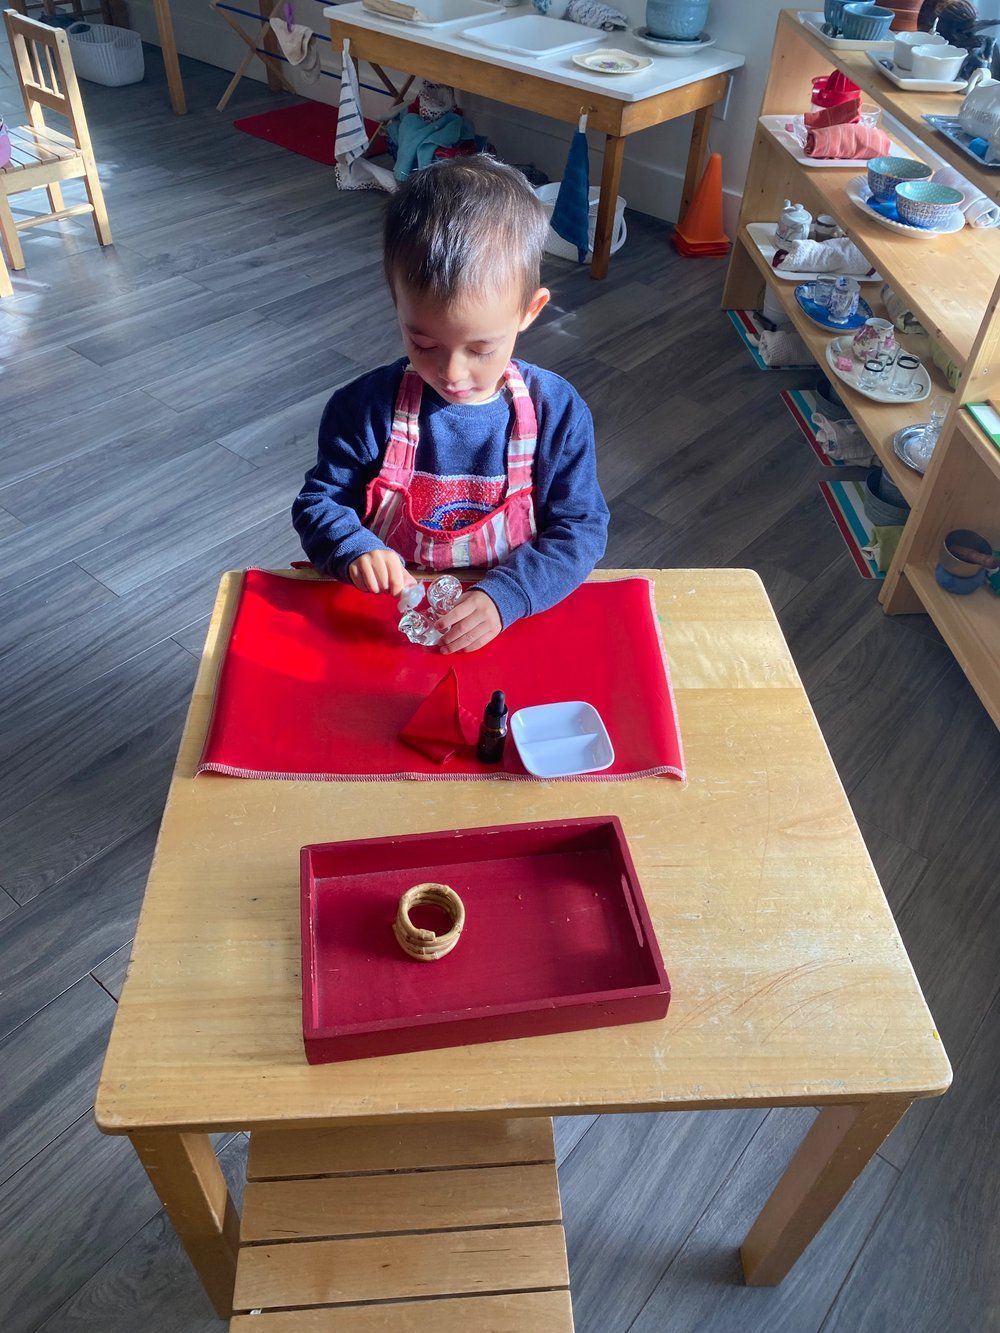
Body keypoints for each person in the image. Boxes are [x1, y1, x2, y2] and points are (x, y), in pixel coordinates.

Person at [292, 156, 609, 654]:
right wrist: (353, 548)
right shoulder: (365, 408)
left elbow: (580, 530)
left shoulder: (555, 412)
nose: (452, 372)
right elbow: (320, 504)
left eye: (481, 349)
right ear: (397, 303)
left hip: (510, 616)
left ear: (530, 311)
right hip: (387, 625)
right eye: (423, 343)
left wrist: (509, 595)